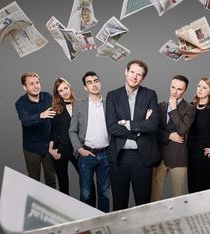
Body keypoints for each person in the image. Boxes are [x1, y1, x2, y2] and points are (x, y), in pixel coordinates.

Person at [106, 60, 160, 211]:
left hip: (142, 158)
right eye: (132, 72)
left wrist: (127, 124)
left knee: (143, 206)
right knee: (119, 205)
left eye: (139, 75)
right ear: (126, 72)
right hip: (119, 158)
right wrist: (140, 127)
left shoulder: (150, 94)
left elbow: (154, 124)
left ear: (142, 78)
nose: (135, 77)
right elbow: (111, 127)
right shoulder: (113, 96)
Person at [69, 71, 110, 212]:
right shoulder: (79, 105)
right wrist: (80, 150)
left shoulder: (109, 103)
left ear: (100, 83)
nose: (94, 84)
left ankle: (104, 226)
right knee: (86, 194)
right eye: (89, 82)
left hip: (105, 155)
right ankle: (87, 226)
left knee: (105, 194)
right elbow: (72, 131)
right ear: (85, 87)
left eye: (96, 80)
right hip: (86, 155)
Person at [151, 75, 195, 201]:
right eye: (173, 87)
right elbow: (153, 130)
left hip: (178, 158)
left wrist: (174, 108)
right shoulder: (160, 106)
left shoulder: (190, 109)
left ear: (185, 90)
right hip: (159, 157)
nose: (175, 91)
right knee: (154, 196)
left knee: (180, 197)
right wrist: (169, 135)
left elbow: (182, 130)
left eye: (179, 89)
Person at [15, 72, 56, 188]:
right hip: (31, 149)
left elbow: (55, 118)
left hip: (48, 147)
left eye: (37, 82)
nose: (36, 86)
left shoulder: (48, 97)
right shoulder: (20, 103)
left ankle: (51, 205)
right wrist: (41, 115)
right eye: (31, 84)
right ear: (25, 87)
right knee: (34, 183)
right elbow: (25, 121)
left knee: (51, 181)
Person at [48, 78, 79, 195]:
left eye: (66, 88)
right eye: (60, 91)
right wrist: (50, 149)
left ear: (69, 87)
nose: (64, 92)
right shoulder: (55, 109)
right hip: (60, 151)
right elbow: (52, 131)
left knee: (87, 183)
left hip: (77, 150)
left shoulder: (80, 105)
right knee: (63, 185)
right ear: (58, 94)